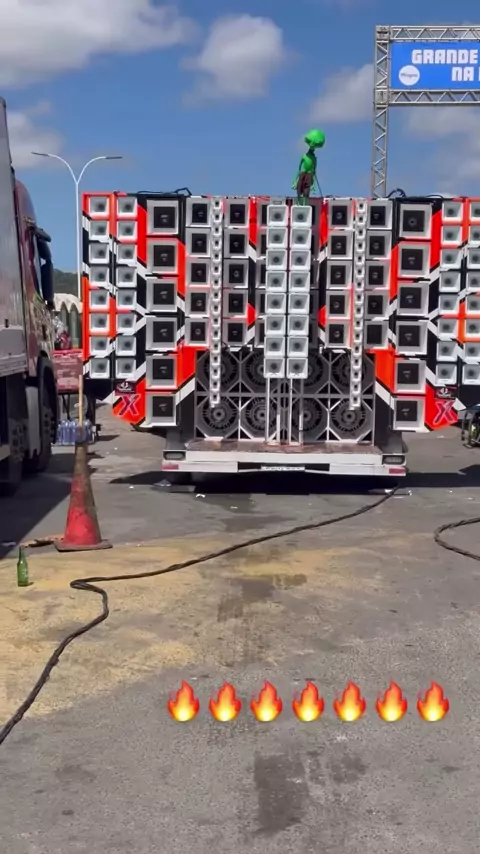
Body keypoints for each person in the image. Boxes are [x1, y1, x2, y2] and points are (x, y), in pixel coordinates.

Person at [292, 129, 325, 204]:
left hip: (309, 174)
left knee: (306, 191)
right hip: (303, 173)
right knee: (299, 188)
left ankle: (305, 203)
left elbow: (314, 170)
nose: (312, 148)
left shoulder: (314, 158)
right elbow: (299, 168)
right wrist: (295, 180)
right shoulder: (304, 156)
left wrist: (313, 185)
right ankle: (299, 203)